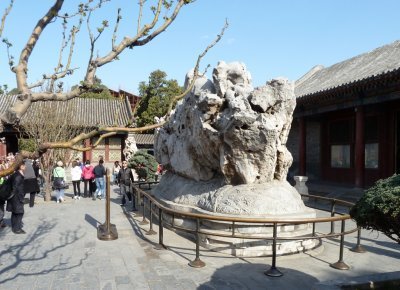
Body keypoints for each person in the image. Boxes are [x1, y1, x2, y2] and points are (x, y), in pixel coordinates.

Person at [6, 161, 26, 234]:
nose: (25, 167)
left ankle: (14, 227)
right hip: (16, 197)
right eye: (24, 165)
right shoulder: (18, 176)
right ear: (21, 166)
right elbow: (18, 189)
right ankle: (17, 228)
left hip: (14, 197)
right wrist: (22, 199)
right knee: (19, 212)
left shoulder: (16, 174)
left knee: (15, 212)